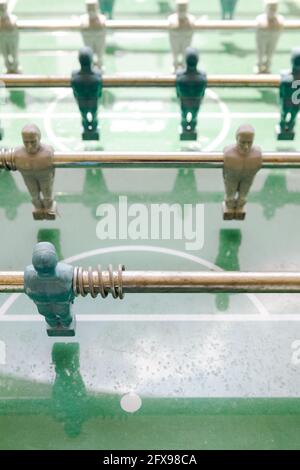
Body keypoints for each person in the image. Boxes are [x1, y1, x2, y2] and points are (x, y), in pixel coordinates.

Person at [24, 242, 76, 337]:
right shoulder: (66, 272)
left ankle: (52, 324)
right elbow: (71, 290)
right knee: (65, 315)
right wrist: (71, 298)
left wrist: (36, 299)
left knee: (48, 316)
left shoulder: (29, 273)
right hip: (62, 301)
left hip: (41, 303)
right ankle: (66, 324)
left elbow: (28, 291)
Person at [12, 124, 57, 220]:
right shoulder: (17, 153)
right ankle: (38, 208)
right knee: (34, 196)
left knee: (47, 195)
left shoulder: (48, 152)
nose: (29, 146)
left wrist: (51, 177)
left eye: (33, 142)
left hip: (45, 177)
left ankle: (48, 208)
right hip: (28, 178)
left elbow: (53, 169)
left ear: (39, 138)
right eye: (26, 142)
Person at [223, 124, 262, 220]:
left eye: (250, 142)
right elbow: (224, 171)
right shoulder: (228, 153)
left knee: (243, 195)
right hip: (232, 177)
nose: (246, 146)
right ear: (237, 139)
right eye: (242, 142)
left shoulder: (257, 154)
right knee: (230, 194)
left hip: (248, 178)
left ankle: (240, 206)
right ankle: (229, 206)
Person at [71, 47, 103, 140]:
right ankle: (93, 128)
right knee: (94, 115)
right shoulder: (97, 76)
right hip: (93, 101)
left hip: (81, 101)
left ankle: (86, 129)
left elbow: (75, 93)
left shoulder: (75, 76)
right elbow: (99, 92)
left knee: (84, 116)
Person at [176, 48, 206, 140]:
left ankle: (185, 129)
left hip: (184, 100)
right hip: (196, 100)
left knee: (184, 115)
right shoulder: (202, 77)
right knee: (194, 116)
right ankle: (192, 129)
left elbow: (178, 91)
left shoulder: (180, 76)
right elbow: (202, 91)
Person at [277, 48, 300, 140]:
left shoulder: (286, 79)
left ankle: (283, 126)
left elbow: (282, 91)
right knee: (293, 117)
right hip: (297, 103)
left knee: (284, 115)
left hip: (287, 101)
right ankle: (290, 127)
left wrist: (280, 98)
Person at [255, 0, 284, 74]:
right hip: (262, 37)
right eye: (270, 7)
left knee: (270, 53)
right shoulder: (260, 18)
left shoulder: (280, 19)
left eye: (274, 8)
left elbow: (280, 25)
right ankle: (259, 66)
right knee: (260, 52)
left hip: (273, 37)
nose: (272, 9)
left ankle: (267, 67)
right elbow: (261, 24)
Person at [168, 0, 195, 71]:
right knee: (175, 56)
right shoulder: (171, 19)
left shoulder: (191, 19)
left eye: (183, 8)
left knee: (185, 56)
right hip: (175, 40)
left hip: (185, 40)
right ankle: (175, 66)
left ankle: (183, 66)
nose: (182, 10)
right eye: (180, 8)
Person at [81, 0, 106, 70]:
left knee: (100, 56)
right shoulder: (83, 19)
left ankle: (100, 66)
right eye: (89, 8)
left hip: (99, 42)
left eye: (93, 8)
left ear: (97, 8)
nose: (91, 11)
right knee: (89, 56)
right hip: (89, 42)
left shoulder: (103, 19)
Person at [0, 0, 20, 73]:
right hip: (4, 38)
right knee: (6, 55)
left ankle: (13, 67)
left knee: (12, 55)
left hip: (10, 37)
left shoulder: (12, 20)